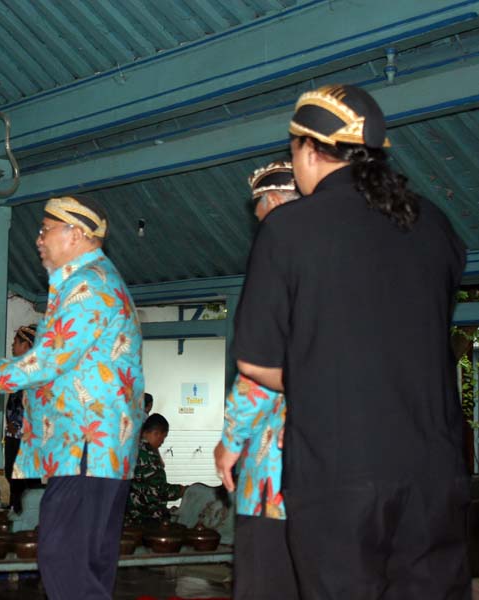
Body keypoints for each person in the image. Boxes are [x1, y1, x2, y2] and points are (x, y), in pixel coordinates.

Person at [226, 84, 470, 599]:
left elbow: (257, 361)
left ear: (308, 151)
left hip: (341, 470)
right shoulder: (436, 224)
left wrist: (326, 377)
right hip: (436, 470)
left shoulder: (290, 229)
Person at [0, 194, 145, 600]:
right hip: (91, 449)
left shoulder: (88, 286)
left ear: (74, 234)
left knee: (62, 557)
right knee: (86, 564)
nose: (39, 239)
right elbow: (56, 358)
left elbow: (47, 362)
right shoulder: (90, 281)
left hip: (87, 446)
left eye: (46, 230)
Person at [214, 160, 299, 600]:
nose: (258, 220)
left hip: (273, 476)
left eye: (259, 209)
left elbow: (260, 367)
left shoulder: (283, 260)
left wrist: (230, 440)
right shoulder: (347, 260)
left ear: (276, 202)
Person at [125, 413, 184, 525]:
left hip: (130, 515)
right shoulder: (148, 455)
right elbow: (158, 490)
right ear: (156, 433)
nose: (162, 441)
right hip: (145, 518)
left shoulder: (132, 447)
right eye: (163, 437)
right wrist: (182, 491)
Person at [4, 323, 37, 513]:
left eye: (16, 342)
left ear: (25, 346)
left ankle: (25, 517)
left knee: (26, 481)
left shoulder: (35, 372)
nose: (12, 345)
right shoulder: (20, 370)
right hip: (14, 435)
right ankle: (16, 515)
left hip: (27, 438)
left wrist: (20, 426)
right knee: (13, 477)